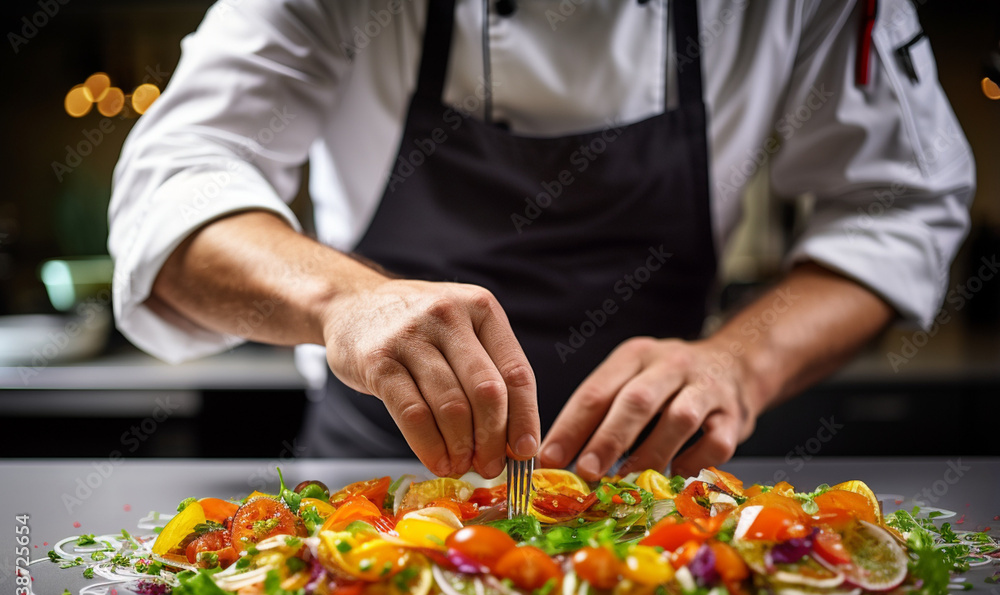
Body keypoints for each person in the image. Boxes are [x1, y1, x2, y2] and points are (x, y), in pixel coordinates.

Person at [108, 0, 974, 482]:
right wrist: (346, 300)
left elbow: (899, 204)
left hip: (656, 491)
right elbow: (172, 190)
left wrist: (742, 363)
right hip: (372, 486)